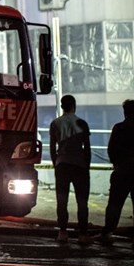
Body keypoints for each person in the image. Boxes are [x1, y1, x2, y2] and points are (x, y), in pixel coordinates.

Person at [98, 99, 134, 248]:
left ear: (125, 112)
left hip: (122, 171)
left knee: (114, 204)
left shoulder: (118, 128)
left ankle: (108, 233)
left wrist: (118, 163)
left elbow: (111, 150)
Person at [49, 94, 93, 245]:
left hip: (62, 164)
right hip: (79, 165)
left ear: (62, 106)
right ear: (74, 105)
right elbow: (87, 147)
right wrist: (87, 166)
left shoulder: (55, 123)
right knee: (82, 201)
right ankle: (83, 234)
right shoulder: (82, 123)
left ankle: (62, 232)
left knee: (62, 200)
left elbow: (52, 147)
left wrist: (56, 163)